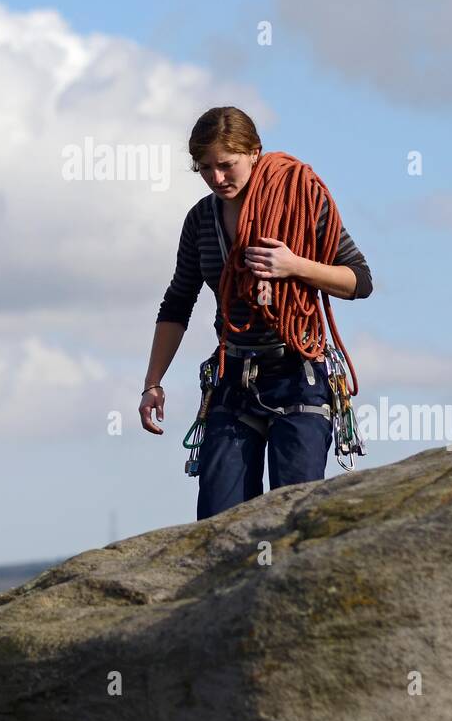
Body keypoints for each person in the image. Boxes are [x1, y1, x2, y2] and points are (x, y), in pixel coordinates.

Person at [139, 106, 373, 518]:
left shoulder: (302, 200)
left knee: (292, 517)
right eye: (205, 168)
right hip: (233, 378)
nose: (217, 178)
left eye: (226, 165)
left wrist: (294, 265)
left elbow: (359, 281)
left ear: (255, 153)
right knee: (218, 520)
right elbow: (178, 302)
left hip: (297, 374)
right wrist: (152, 383)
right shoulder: (200, 220)